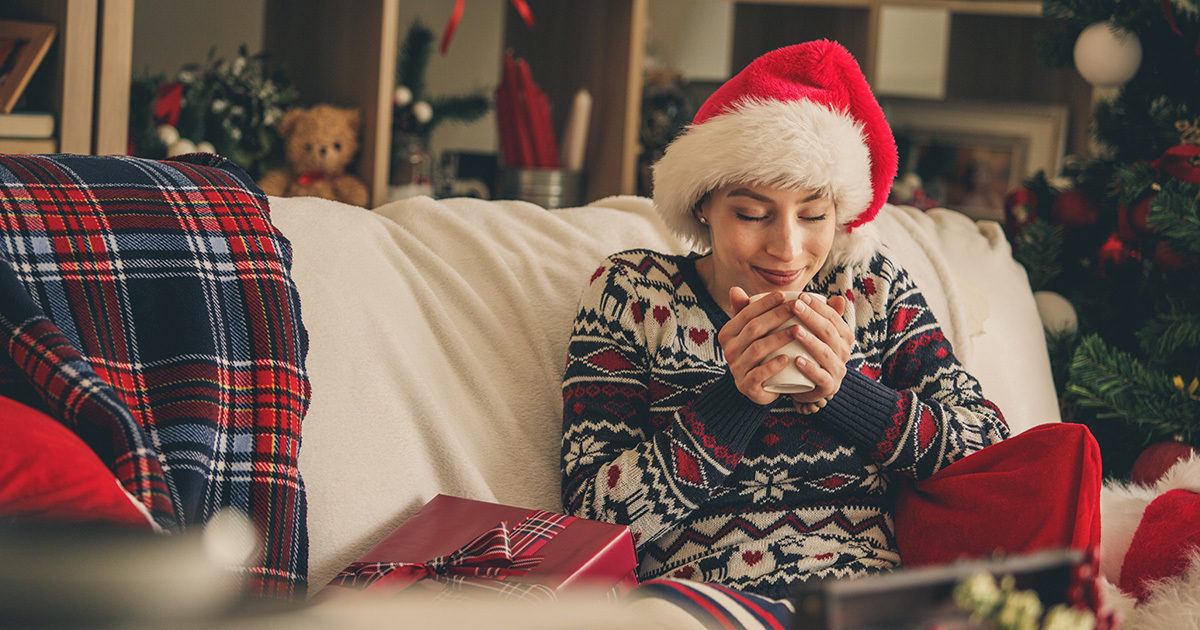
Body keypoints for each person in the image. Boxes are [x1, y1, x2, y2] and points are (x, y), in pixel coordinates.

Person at [560, 40, 1009, 601]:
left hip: (865, 600)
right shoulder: (634, 292)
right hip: (706, 600)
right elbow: (590, 519)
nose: (788, 248)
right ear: (704, 203)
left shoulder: (870, 288)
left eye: (814, 215)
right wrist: (735, 401)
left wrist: (845, 394)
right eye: (752, 214)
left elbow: (990, 453)